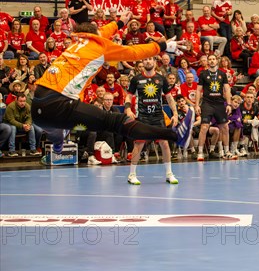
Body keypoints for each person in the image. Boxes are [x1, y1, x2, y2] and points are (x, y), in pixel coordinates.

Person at [31, 14, 194, 165]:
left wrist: (119, 22)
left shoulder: (76, 42)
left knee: (56, 125)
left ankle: (58, 141)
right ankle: (175, 135)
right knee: (116, 122)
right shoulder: (100, 48)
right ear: (96, 34)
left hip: (37, 107)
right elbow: (133, 52)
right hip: (59, 102)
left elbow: (101, 31)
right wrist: (162, 45)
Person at [125, 57, 182, 185]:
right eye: (145, 60)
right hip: (142, 116)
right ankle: (132, 174)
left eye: (150, 59)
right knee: (138, 144)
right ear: (142, 63)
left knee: (164, 143)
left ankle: (169, 174)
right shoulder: (136, 79)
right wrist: (128, 109)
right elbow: (128, 95)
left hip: (158, 116)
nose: (148, 62)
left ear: (155, 62)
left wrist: (175, 113)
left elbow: (169, 97)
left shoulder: (161, 79)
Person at [196, 54, 236, 161]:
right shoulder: (203, 74)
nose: (212, 61)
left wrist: (228, 104)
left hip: (219, 104)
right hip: (207, 103)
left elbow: (227, 90)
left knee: (225, 127)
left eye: (213, 59)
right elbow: (198, 90)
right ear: (208, 62)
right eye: (210, 59)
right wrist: (196, 105)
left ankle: (227, 152)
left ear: (216, 61)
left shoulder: (222, 74)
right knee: (204, 127)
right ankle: (200, 152)